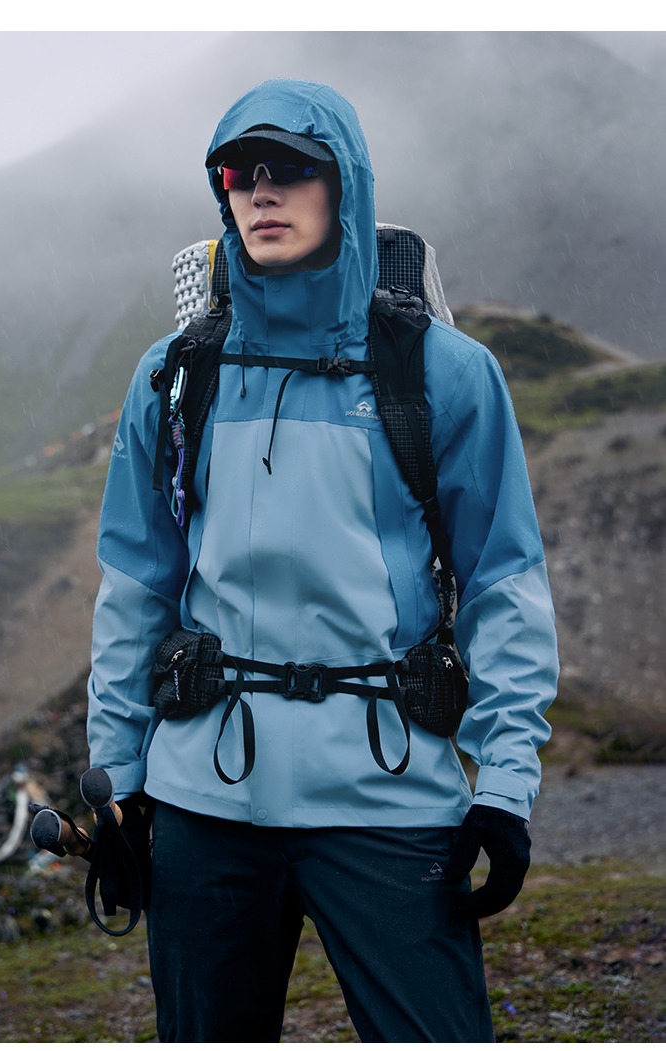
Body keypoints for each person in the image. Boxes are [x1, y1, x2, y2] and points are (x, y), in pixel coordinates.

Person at [86, 78, 558, 1043]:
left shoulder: (445, 372)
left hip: (389, 795)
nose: (261, 191)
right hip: (203, 802)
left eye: (291, 168)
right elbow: (135, 589)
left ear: (346, 183)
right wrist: (120, 780)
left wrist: (505, 787)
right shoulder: (174, 375)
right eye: (238, 173)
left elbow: (503, 583)